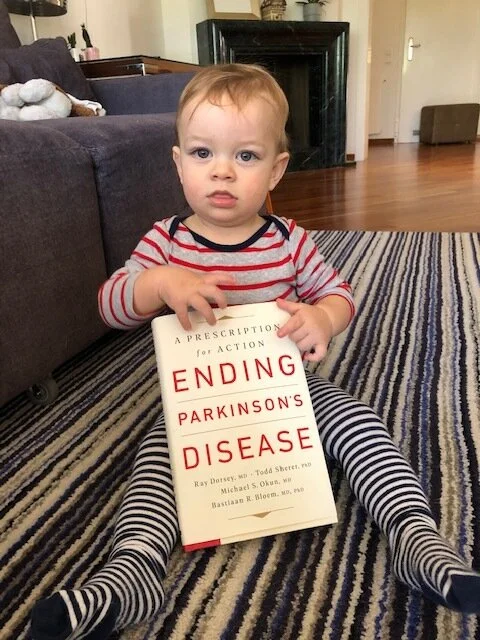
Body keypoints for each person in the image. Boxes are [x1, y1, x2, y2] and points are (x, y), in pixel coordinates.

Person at [31, 63, 480, 640]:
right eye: (202, 153)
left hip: (286, 391)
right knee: (157, 460)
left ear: (276, 169)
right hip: (199, 402)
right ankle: (134, 571)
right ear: (178, 163)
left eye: (245, 156)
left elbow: (339, 293)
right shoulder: (165, 242)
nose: (222, 170)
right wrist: (158, 283)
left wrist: (323, 316)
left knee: (358, 421)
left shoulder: (289, 241)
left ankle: (413, 535)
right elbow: (110, 305)